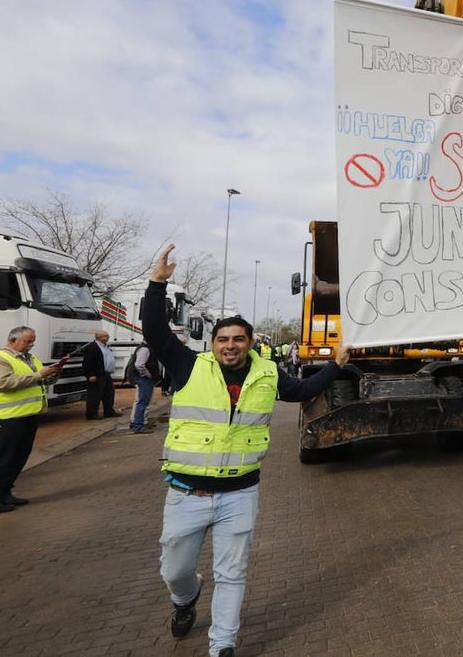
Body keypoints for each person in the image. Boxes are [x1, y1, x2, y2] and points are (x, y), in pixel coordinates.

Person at [144, 244, 354, 656]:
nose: (230, 345)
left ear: (251, 342)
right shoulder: (190, 365)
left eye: (239, 339)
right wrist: (157, 284)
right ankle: (185, 599)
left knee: (233, 573)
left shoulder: (269, 372)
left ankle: (222, 645)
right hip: (186, 495)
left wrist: (336, 366)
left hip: (239, 494)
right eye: (223, 339)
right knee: (175, 570)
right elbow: (154, 331)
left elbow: (305, 390)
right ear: (214, 342)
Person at [0, 327, 62, 515]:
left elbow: (36, 382)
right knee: (1, 461)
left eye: (32, 341)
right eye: (28, 341)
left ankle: (3, 494)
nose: (31, 344)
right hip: (4, 419)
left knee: (17, 459)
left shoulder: (31, 359)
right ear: (13, 340)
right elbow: (5, 383)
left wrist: (51, 375)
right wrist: (39, 375)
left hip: (26, 416)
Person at [82, 330, 120, 419]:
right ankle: (92, 414)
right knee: (95, 395)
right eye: (106, 336)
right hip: (97, 374)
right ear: (99, 337)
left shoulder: (106, 347)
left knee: (109, 393)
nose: (108, 337)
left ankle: (109, 412)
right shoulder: (92, 347)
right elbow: (87, 362)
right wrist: (90, 375)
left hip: (106, 374)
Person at [128, 339, 161, 434]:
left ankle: (139, 423)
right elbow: (139, 365)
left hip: (144, 379)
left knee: (143, 402)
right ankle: (138, 426)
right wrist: (148, 375)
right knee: (142, 402)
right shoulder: (145, 349)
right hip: (144, 379)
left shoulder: (147, 348)